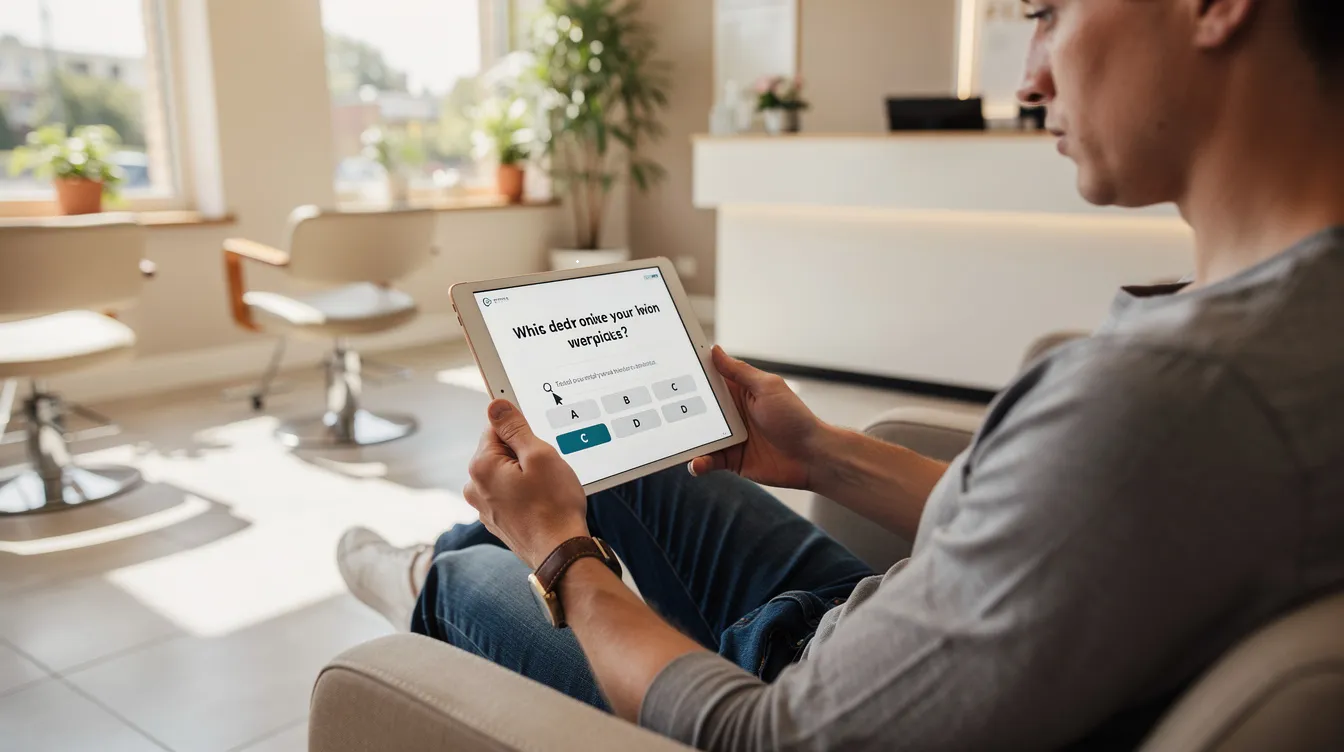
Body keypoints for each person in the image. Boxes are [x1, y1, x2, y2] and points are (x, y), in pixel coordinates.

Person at [337, 0, 1344, 748]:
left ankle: (436, 577)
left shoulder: (1176, 399)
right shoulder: (1286, 327)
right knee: (634, 457)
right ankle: (485, 532)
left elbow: (765, 734)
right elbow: (1071, 530)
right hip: (910, 633)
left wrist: (563, 559)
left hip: (796, 692)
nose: (1032, 75)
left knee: (486, 572)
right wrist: (821, 454)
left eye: (1049, 10)